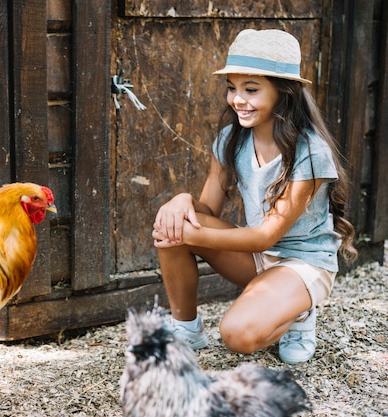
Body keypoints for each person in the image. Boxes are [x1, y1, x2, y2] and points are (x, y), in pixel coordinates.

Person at [152, 29, 357, 364]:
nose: (237, 99)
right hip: (257, 259)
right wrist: (179, 202)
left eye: (251, 89)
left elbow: (266, 235)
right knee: (172, 223)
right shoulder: (231, 139)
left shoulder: (309, 151)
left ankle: (299, 313)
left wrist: (186, 233)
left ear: (284, 92)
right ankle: (186, 328)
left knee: (238, 336)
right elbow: (205, 209)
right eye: (232, 88)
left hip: (303, 263)